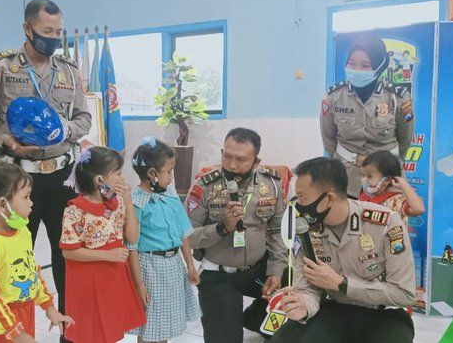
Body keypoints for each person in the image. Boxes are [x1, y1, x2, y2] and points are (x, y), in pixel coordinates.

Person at [0, 0, 91, 329]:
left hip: (63, 178)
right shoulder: (0, 66)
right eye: (47, 31)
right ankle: (12, 331)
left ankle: (69, 332)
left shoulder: (68, 70)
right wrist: (6, 140)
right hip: (17, 182)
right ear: (27, 29)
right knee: (15, 261)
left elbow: (84, 118)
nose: (54, 38)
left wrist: (66, 130)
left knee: (68, 258)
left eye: (59, 32)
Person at [270, 157, 416, 342]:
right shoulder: (303, 229)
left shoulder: (386, 223)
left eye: (302, 198)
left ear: (329, 198)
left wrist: (342, 284)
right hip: (335, 310)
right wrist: (302, 306)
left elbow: (404, 293)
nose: (297, 204)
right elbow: (307, 290)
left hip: (384, 314)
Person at [186, 127, 287, 342]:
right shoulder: (204, 186)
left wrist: (276, 271)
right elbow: (187, 237)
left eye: (241, 160)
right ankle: (231, 319)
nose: (232, 165)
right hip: (219, 275)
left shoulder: (271, 184)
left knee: (296, 283)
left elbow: (278, 230)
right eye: (227, 156)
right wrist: (222, 228)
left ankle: (255, 318)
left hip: (257, 269)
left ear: (256, 161)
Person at [0, 160, 74, 343]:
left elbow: (31, 271)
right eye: (26, 197)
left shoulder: (22, 230)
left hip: (24, 313)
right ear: (2, 204)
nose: (31, 203)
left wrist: (49, 307)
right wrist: (16, 333)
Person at [59, 146, 146, 342]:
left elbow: (132, 238)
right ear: (99, 180)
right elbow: (69, 252)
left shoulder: (118, 204)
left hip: (113, 276)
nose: (122, 178)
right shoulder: (75, 211)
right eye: (118, 173)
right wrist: (107, 255)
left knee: (111, 325)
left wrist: (129, 204)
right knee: (91, 330)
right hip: (88, 280)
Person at [126, 136, 202, 342]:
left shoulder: (170, 194)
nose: (171, 177)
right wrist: (139, 285)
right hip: (150, 269)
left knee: (165, 325)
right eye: (169, 171)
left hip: (173, 267)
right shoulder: (136, 201)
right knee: (150, 325)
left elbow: (181, 233)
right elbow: (132, 247)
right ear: (152, 173)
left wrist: (190, 266)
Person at [321, 35, 415, 198]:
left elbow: (405, 138)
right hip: (346, 177)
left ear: (380, 66)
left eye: (365, 65)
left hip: (386, 178)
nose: (357, 70)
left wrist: (387, 164)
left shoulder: (397, 97)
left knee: (389, 213)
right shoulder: (333, 96)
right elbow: (328, 139)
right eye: (351, 64)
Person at [358, 150, 425, 225]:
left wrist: (404, 185)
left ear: (387, 180)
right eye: (363, 175)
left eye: (369, 176)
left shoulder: (395, 201)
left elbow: (419, 209)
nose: (364, 180)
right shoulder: (363, 197)